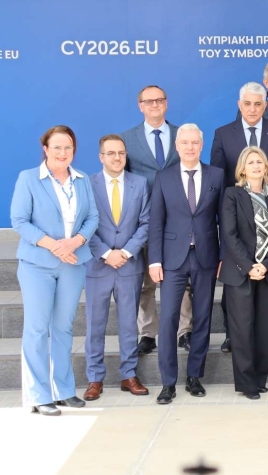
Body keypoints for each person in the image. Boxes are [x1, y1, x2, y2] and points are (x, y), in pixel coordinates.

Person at [11, 125, 99, 416]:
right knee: (37, 328)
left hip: (73, 263)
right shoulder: (29, 178)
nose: (63, 152)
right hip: (38, 264)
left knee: (63, 327)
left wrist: (75, 241)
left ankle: (63, 390)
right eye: (57, 147)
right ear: (46, 149)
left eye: (68, 147)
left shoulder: (82, 179)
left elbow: (92, 217)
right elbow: (19, 221)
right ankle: (38, 395)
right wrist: (54, 246)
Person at [211, 82, 268, 352]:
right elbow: (218, 179)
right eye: (247, 104)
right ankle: (231, 335)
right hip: (236, 222)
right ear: (240, 105)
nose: (252, 109)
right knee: (235, 281)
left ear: (264, 105)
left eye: (257, 104)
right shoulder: (223, 134)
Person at [148, 124, 223, 405]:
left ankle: (194, 376)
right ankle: (168, 382)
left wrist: (223, 256)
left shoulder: (216, 175)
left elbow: (223, 218)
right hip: (172, 259)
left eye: (195, 143)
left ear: (201, 146)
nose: (190, 147)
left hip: (206, 256)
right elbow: (156, 222)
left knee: (203, 317)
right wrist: (155, 260)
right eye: (185, 143)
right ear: (176, 146)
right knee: (168, 318)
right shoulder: (164, 177)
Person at [83, 135, 151, 401]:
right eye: (110, 153)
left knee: (129, 323)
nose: (117, 158)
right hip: (98, 265)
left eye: (121, 153)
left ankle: (129, 375)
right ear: (101, 157)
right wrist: (105, 253)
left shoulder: (139, 183)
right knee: (95, 324)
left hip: (128, 264)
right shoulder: (87, 185)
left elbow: (146, 223)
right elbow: (82, 225)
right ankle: (94, 378)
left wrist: (124, 252)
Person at [121, 85, 187, 356]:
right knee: (145, 281)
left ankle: (185, 331)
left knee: (182, 277)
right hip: (143, 220)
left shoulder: (183, 134)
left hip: (179, 219)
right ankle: (148, 333)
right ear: (140, 106)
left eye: (159, 100)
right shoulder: (127, 139)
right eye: (148, 101)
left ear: (166, 103)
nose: (154, 105)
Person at [219, 147, 268, 399]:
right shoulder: (232, 194)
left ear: (266, 167)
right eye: (250, 162)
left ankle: (260, 378)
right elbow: (230, 234)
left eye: (260, 162)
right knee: (242, 329)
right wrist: (249, 266)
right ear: (242, 169)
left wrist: (265, 265)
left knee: (264, 327)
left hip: (267, 273)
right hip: (240, 272)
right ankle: (246, 383)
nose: (256, 166)